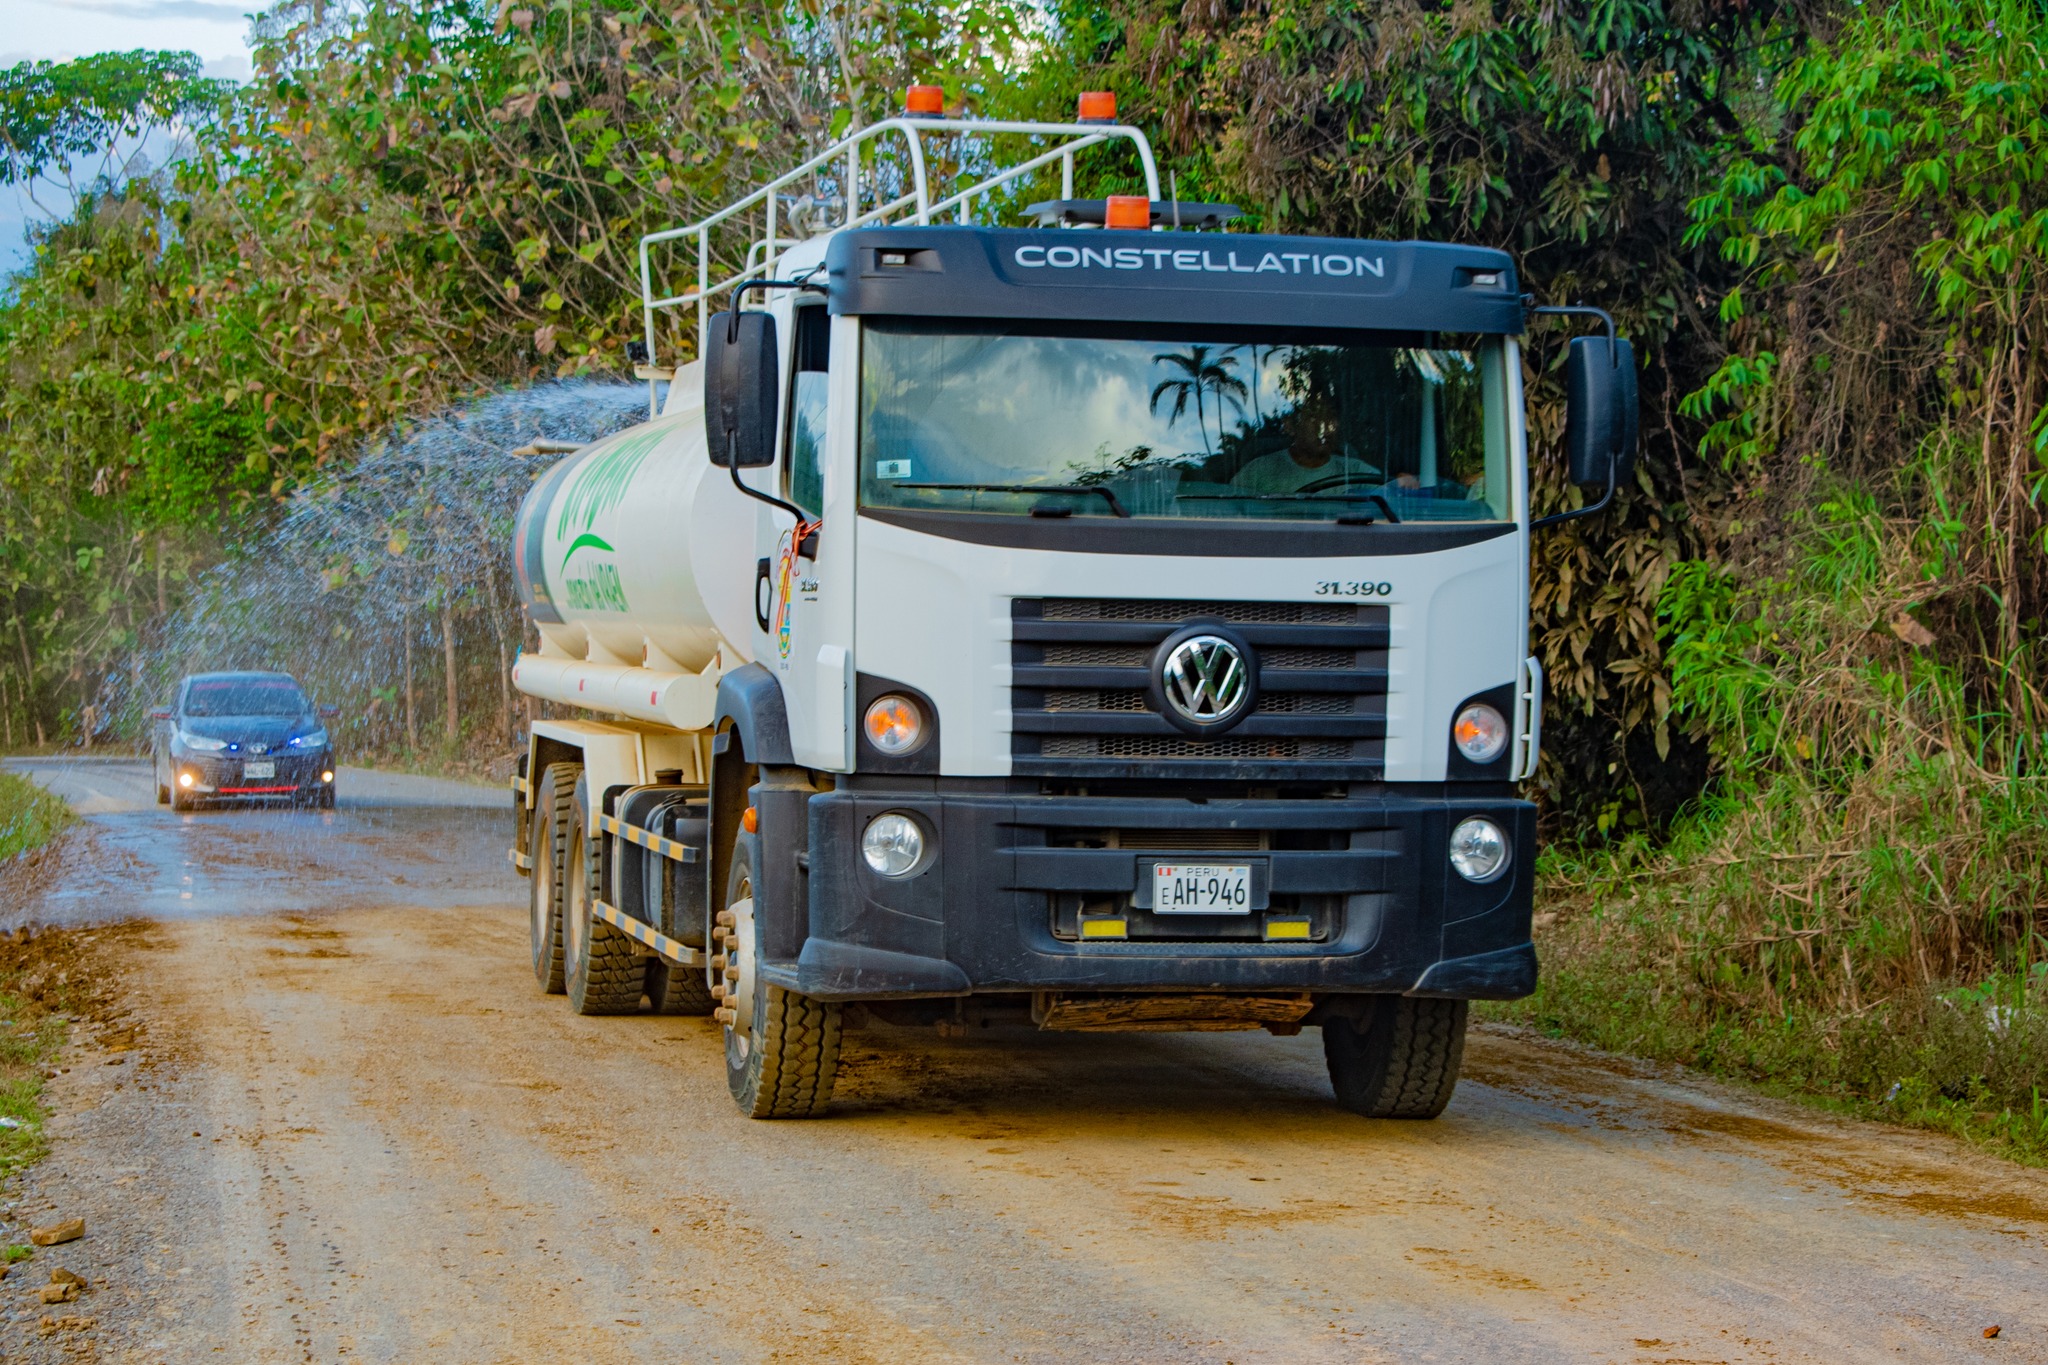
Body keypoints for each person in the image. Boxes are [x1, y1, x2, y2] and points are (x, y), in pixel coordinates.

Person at [1229, 391, 1379, 494]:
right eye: (1314, 418)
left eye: (1330, 419)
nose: (1324, 428)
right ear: (1291, 426)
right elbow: (1229, 512)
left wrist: (1401, 484)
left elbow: (1391, 500)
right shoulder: (1257, 472)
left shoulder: (1358, 473)